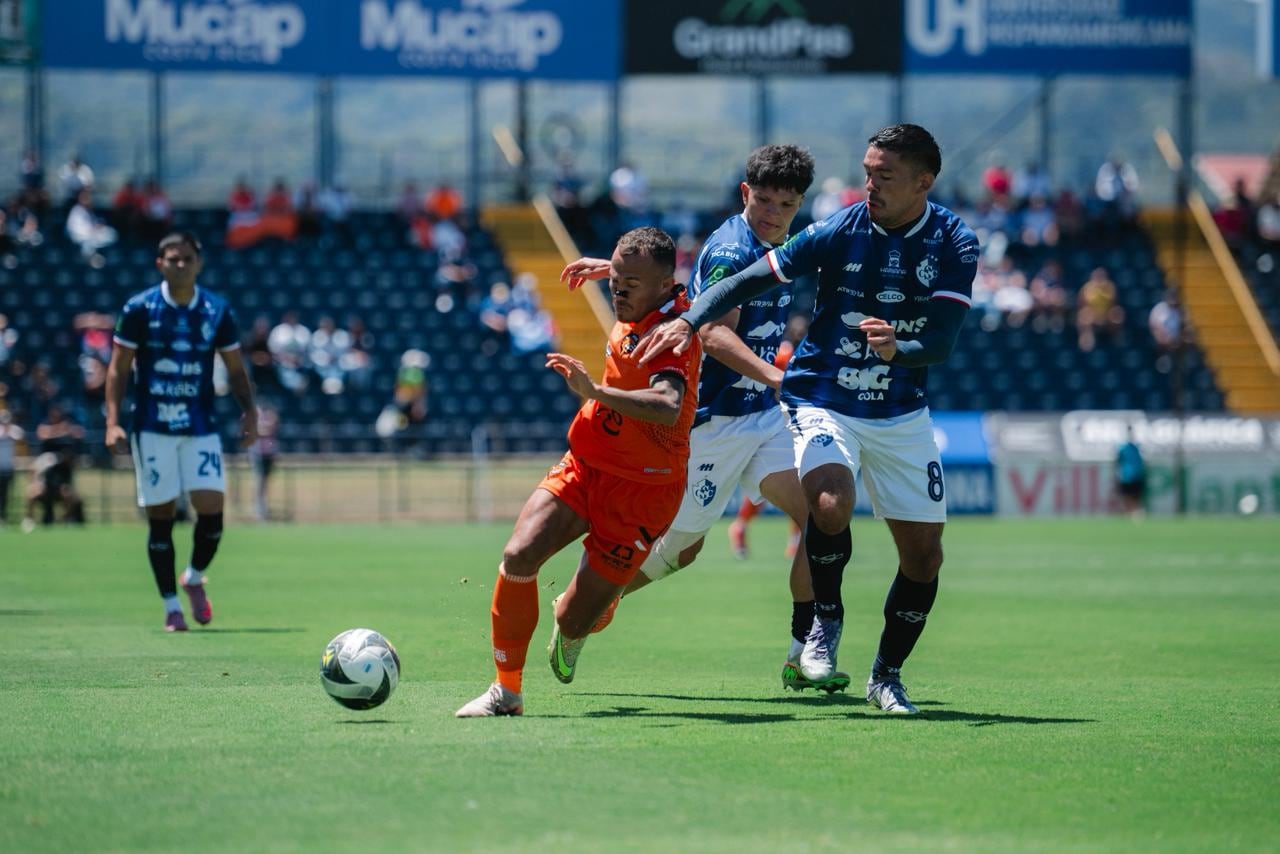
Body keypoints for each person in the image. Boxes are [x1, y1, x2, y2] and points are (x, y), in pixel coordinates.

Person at [635, 124, 979, 715]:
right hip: (820, 396)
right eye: (866, 170)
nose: (867, 183)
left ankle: (886, 676)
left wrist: (902, 349)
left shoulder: (954, 240)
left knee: (924, 557)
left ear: (924, 181)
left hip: (900, 411)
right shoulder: (840, 228)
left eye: (884, 175)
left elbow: (943, 342)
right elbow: (750, 277)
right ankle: (822, 625)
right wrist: (691, 322)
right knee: (826, 503)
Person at [556, 146, 836, 692]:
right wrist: (776, 377)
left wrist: (614, 267)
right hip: (709, 424)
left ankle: (804, 654)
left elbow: (692, 299)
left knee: (824, 516)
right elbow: (711, 332)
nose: (773, 212)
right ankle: (584, 606)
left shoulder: (776, 244)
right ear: (744, 194)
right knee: (679, 550)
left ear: (799, 204)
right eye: (764, 199)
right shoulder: (735, 249)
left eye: (786, 202)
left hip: (761, 417)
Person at [455, 227, 701, 717]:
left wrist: (595, 393)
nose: (619, 289)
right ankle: (506, 692)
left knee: (572, 619)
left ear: (665, 285)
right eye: (616, 277)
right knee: (519, 554)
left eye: (631, 281)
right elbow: (632, 276)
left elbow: (667, 404)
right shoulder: (637, 296)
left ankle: (589, 613)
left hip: (642, 491)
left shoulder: (671, 335)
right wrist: (606, 267)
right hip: (587, 463)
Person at [104, 232, 259, 632]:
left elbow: (236, 369)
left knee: (213, 514)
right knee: (161, 518)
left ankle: (192, 577)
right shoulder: (139, 309)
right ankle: (171, 605)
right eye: (173, 259)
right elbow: (118, 369)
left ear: (199, 263)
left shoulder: (217, 310)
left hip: (200, 426)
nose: (180, 265)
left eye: (187, 258)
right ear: (160, 264)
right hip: (153, 428)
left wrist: (250, 412)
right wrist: (112, 421)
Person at [728, 311, 810, 563]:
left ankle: (796, 540)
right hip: (779, 422)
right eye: (796, 331)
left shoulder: (808, 354)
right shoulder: (781, 354)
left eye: (802, 332)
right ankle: (741, 526)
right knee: (774, 486)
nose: (799, 335)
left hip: (800, 422)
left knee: (800, 485)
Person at [1115, 426, 1146, 518]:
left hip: (1136, 475)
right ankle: (1128, 513)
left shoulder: (1137, 448)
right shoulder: (1123, 448)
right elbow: (1117, 462)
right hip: (1126, 476)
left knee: (1135, 495)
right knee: (1126, 495)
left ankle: (1135, 512)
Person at [0, 409, 24, 525]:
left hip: (9, 469)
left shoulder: (13, 430)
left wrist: (8, 430)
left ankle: (5, 517)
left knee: (8, 494)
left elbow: (19, 436)